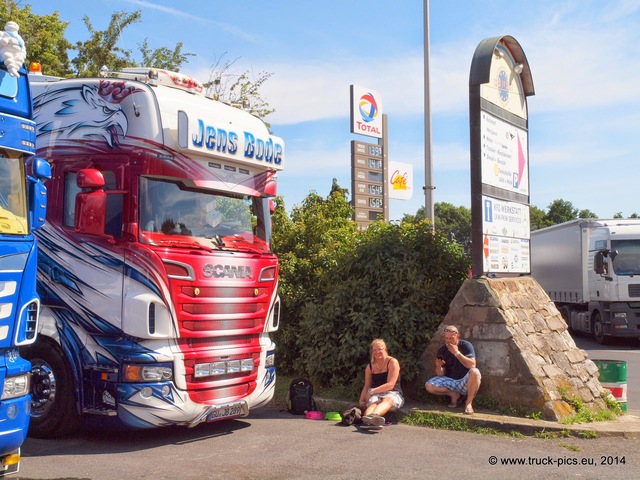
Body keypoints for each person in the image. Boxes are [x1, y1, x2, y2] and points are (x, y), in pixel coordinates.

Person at [425, 325, 481, 414]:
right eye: (446, 338)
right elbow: (440, 374)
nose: (448, 341)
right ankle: (454, 395)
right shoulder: (442, 350)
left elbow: (472, 365)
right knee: (429, 386)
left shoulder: (466, 345)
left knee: (475, 372)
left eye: (451, 338)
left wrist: (456, 353)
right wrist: (438, 366)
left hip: (465, 381)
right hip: (451, 381)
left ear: (457, 336)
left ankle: (468, 403)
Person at [358, 338, 404, 427]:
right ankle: (367, 419)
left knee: (388, 400)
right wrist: (361, 399)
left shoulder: (392, 362)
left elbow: (390, 385)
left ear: (385, 349)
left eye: (380, 349)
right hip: (376, 394)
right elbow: (366, 385)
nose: (377, 352)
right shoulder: (370, 366)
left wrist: (371, 391)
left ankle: (373, 417)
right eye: (374, 350)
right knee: (373, 403)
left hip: (393, 393)